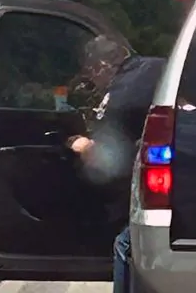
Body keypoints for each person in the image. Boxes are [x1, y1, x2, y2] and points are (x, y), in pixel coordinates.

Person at [65, 35, 166, 293]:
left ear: (101, 65)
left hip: (159, 184)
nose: (92, 79)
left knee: (126, 243)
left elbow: (104, 158)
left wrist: (79, 143)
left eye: (91, 72)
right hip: (178, 171)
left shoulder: (122, 94)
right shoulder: (154, 68)